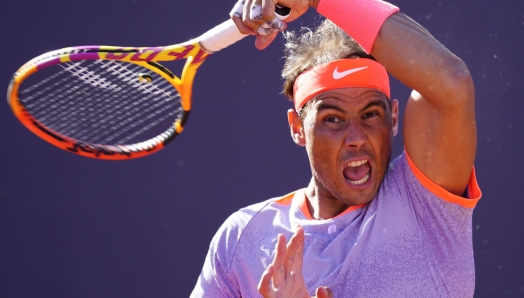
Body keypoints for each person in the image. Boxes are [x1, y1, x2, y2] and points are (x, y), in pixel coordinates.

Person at [191, 0, 482, 296]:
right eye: (333, 119)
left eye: (370, 115)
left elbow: (451, 81)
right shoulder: (242, 237)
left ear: (393, 117)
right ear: (297, 128)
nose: (356, 136)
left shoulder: (424, 203)